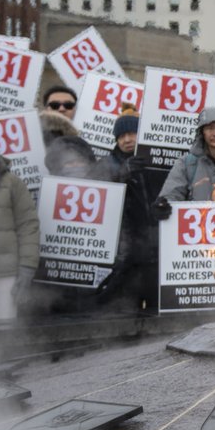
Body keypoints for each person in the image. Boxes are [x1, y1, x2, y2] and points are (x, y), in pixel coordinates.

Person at [89, 112, 158, 315]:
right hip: (125, 255)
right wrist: (123, 173)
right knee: (124, 313)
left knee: (157, 313)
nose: (127, 139)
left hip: (156, 251)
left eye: (131, 133)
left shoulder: (157, 160)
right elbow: (96, 193)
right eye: (121, 136)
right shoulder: (106, 164)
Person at [0, 144, 39, 321]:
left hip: (5, 275)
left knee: (5, 332)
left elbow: (28, 226)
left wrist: (27, 268)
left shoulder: (13, 183)